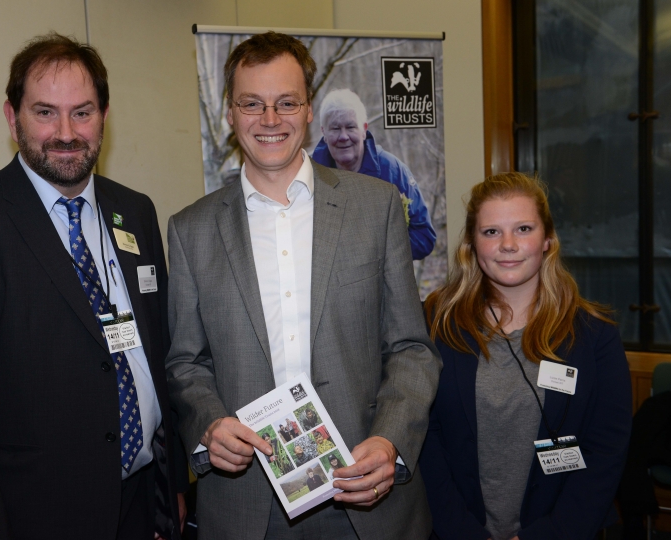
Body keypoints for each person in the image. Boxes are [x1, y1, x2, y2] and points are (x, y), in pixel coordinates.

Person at [166, 31, 441, 540]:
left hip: (364, 489)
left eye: (286, 102)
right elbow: (185, 362)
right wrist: (208, 424)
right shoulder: (190, 230)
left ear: (308, 109)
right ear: (230, 112)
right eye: (253, 103)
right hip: (249, 503)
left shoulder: (376, 207)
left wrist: (390, 442)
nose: (270, 120)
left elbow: (411, 348)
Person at [0, 33, 187, 540]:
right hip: (29, 516)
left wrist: (170, 491)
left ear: (105, 114)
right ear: (11, 115)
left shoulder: (137, 212)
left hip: (138, 506)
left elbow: (155, 354)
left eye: (82, 112)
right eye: (45, 112)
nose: (65, 132)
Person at [419, 172, 632, 539]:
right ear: (471, 243)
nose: (507, 245)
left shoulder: (595, 336)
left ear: (548, 239)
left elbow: (605, 452)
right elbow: (426, 440)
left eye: (523, 229)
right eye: (491, 232)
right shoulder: (437, 325)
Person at [311, 88, 436, 260]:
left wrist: (376, 251)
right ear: (324, 132)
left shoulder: (392, 171)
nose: (343, 136)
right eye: (335, 128)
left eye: (350, 127)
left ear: (364, 129)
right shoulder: (308, 174)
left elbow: (424, 238)